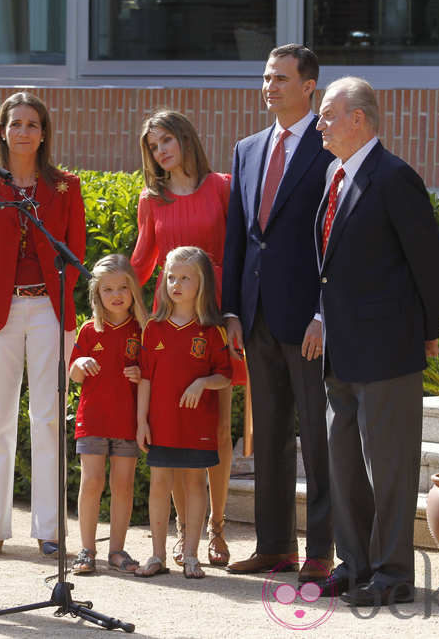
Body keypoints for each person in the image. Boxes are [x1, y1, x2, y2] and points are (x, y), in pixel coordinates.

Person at [311, 76, 439, 606]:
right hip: (340, 349)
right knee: (343, 465)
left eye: (327, 114)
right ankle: (355, 565)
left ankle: (393, 575)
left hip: (387, 349)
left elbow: (429, 263)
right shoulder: (333, 172)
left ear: (358, 120)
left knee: (388, 468)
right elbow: (329, 267)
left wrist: (429, 331)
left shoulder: (394, 178)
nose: (320, 124)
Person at [221, 44, 335, 582]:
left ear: (309, 86)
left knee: (315, 437)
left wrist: (323, 312)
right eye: (266, 77)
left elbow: (337, 239)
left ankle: (320, 553)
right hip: (256, 316)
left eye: (281, 79)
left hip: (308, 322)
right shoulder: (246, 149)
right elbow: (239, 238)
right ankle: (274, 547)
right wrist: (230, 311)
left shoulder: (330, 145)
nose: (270, 87)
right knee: (266, 437)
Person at [0, 92, 86, 559]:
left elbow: (73, 249)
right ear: (2, 130)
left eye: (32, 124)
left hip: (50, 311)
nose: (23, 131)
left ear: (43, 133)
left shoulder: (65, 187)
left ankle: (50, 528)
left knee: (48, 418)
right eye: (15, 123)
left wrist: (54, 292)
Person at [131, 109, 244, 568]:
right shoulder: (151, 200)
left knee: (217, 430)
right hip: (171, 323)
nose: (161, 151)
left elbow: (239, 255)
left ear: (185, 138)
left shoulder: (222, 186)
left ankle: (216, 527)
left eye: (166, 140)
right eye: (153, 146)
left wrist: (234, 313)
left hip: (216, 321)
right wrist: (130, 314)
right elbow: (140, 265)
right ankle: (185, 533)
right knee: (175, 429)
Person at [135, 246, 233, 579]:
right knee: (160, 484)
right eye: (171, 277)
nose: (175, 284)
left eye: (185, 278)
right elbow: (145, 379)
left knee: (194, 483)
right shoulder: (153, 328)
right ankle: (158, 555)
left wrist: (202, 382)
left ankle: (191, 554)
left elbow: (225, 376)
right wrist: (140, 422)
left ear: (202, 283)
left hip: (197, 426)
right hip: (161, 424)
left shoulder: (211, 331)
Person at [68, 254, 148, 575]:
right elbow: (73, 373)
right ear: (96, 294)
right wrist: (80, 364)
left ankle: (117, 550)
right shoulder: (89, 330)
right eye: (108, 289)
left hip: (127, 421)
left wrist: (140, 373)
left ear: (133, 291)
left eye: (123, 288)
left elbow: (153, 373)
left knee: (123, 484)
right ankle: (86, 550)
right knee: (92, 481)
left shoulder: (143, 330)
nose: (116, 295)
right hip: (93, 420)